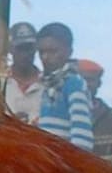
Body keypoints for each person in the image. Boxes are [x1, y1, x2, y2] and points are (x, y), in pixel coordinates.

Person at [32, 22, 92, 150]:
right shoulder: (47, 84)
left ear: (69, 52)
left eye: (53, 51)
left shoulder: (73, 83)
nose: (45, 57)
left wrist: (76, 162)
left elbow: (81, 131)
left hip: (64, 159)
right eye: (41, 52)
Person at [2, 21, 41, 122]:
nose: (25, 54)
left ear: (36, 49)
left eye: (29, 48)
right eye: (20, 48)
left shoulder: (50, 85)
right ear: (10, 49)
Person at [79, 59, 112, 139]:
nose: (85, 84)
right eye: (80, 80)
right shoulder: (56, 111)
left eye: (90, 80)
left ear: (99, 83)